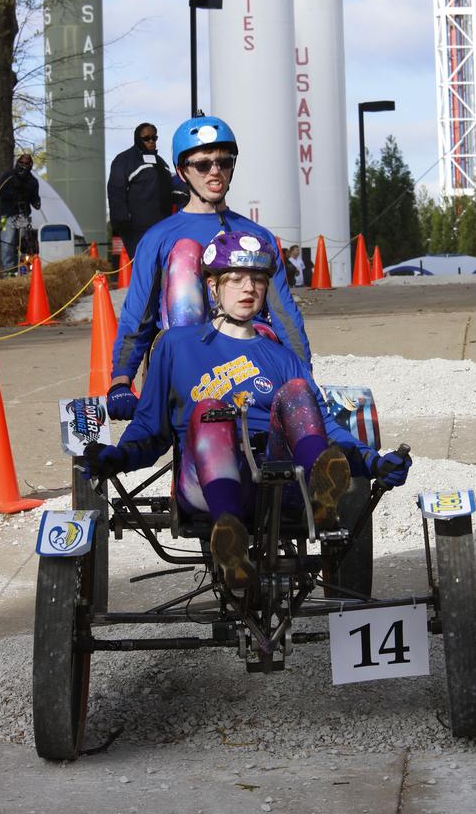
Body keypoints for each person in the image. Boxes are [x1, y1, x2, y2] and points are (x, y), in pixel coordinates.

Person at [85, 233, 411, 589]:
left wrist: (374, 461)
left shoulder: (283, 358)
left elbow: (325, 426)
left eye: (257, 280)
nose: (248, 289)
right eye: (236, 279)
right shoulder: (175, 347)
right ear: (213, 286)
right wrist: (117, 457)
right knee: (211, 411)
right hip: (205, 483)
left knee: (299, 391)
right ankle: (230, 539)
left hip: (282, 481)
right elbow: (150, 430)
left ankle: (320, 493)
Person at [106, 114, 310, 422]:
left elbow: (282, 312)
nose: (215, 172)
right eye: (203, 165)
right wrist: (121, 379)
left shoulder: (258, 236)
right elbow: (139, 315)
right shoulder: (159, 237)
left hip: (250, 362)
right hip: (186, 365)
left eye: (224, 163)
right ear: (182, 171)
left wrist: (303, 374)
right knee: (187, 252)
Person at [107, 124, 187, 259]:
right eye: (147, 138)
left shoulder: (161, 162)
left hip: (162, 226)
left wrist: (187, 194)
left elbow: (171, 189)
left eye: (154, 138)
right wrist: (122, 221)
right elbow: (116, 191)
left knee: (161, 268)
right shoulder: (124, 160)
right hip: (137, 229)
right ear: (137, 139)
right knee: (143, 266)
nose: (151, 141)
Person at [0, 152, 41, 271]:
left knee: (24, 244)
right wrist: (12, 195)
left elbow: (35, 198)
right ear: (17, 163)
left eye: (27, 163)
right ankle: (8, 272)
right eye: (21, 163)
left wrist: (36, 203)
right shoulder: (9, 176)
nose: (24, 166)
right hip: (8, 214)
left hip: (23, 215)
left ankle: (23, 270)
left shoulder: (32, 181)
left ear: (31, 165)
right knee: (7, 243)